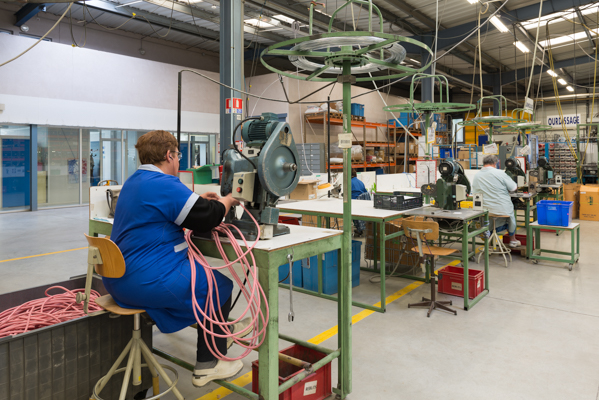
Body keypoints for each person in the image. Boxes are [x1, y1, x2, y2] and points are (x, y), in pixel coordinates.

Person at [103, 130, 250, 388]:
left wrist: (196, 201)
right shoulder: (163, 184)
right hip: (146, 280)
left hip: (118, 281)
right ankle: (209, 364)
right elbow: (206, 216)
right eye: (178, 156)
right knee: (219, 286)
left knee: (201, 281)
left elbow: (172, 209)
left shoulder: (135, 181)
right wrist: (228, 201)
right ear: (169, 155)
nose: (178, 161)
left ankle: (219, 333)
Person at [471, 154, 521, 248]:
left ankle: (489, 242)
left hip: (483, 210)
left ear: (483, 163)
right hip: (501, 209)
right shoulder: (500, 173)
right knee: (510, 215)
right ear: (495, 163)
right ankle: (512, 240)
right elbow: (514, 187)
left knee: (489, 220)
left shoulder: (477, 175)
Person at [350, 169, 370, 236]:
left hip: (354, 203)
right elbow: (365, 192)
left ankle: (354, 229)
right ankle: (360, 228)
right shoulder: (361, 182)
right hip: (362, 204)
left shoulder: (349, 182)